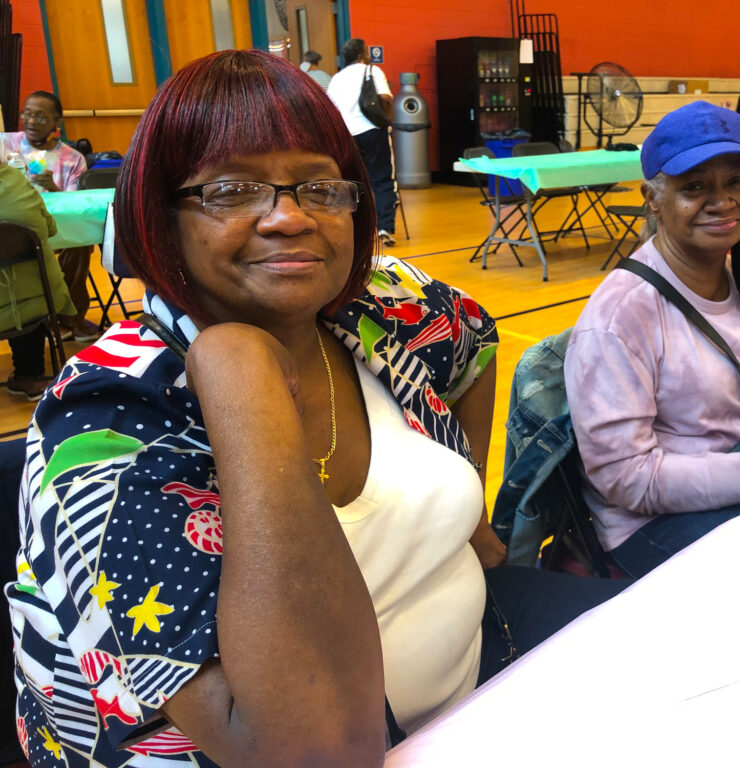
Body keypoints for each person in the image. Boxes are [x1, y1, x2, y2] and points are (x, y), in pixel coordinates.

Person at [7, 50, 626, 768]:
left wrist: (472, 525)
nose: (290, 217)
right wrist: (240, 370)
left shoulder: (382, 307)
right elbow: (313, 750)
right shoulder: (104, 421)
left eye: (321, 187)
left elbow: (475, 341)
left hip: (480, 664)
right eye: (233, 190)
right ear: (160, 217)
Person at [564, 102, 740, 579]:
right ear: (653, 198)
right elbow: (625, 477)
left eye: (736, 182)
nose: (722, 202)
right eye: (695, 187)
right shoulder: (620, 317)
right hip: (656, 522)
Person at [1, 91, 99, 343]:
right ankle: (47, 316)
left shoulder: (72, 158)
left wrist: (53, 187)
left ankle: (67, 317)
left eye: (41, 117)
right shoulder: (6, 144)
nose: (32, 121)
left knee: (80, 244)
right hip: (15, 230)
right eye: (27, 114)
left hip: (55, 228)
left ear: (57, 122)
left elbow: (75, 205)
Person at [0, 153, 76, 400]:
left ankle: (28, 374)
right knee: (26, 289)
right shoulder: (17, 179)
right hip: (43, 299)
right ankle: (30, 374)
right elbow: (50, 228)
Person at [327, 38, 399, 247]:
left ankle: (355, 229)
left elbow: (330, 108)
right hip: (373, 131)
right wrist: (387, 119)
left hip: (347, 136)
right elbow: (385, 98)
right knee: (382, 179)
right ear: (361, 55)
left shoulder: (337, 78)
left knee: (351, 181)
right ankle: (384, 227)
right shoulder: (372, 71)